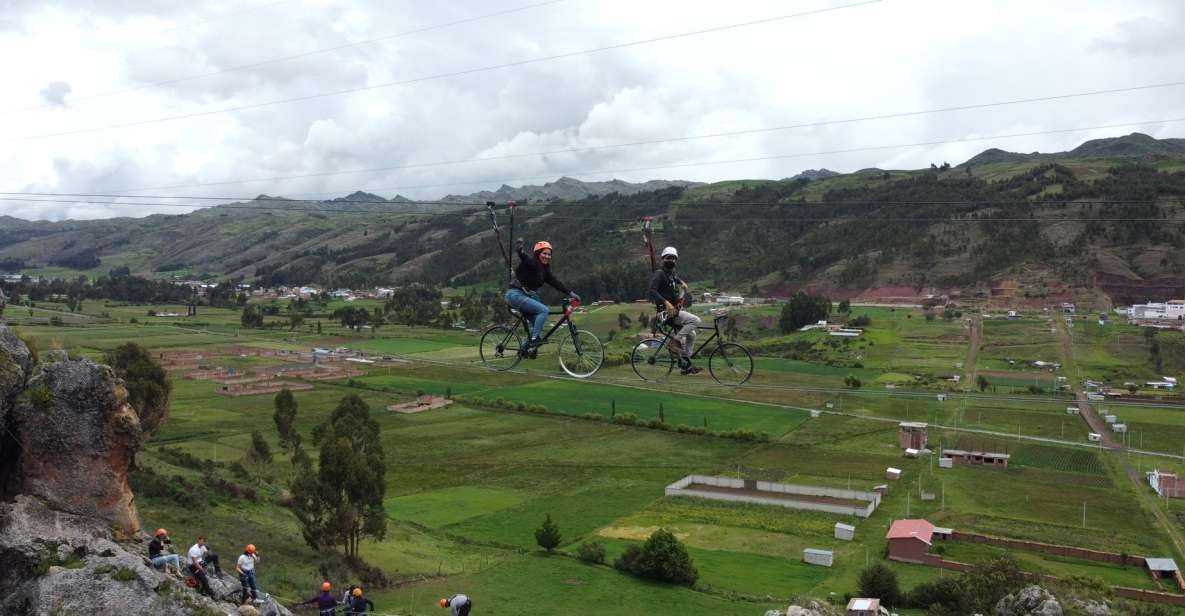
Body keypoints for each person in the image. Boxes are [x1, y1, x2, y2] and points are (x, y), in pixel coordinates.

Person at [506, 238, 579, 355]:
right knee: (544, 310)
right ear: (538, 254)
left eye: (549, 254)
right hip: (515, 295)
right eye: (544, 253)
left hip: (527, 296)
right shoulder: (533, 263)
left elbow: (556, 283)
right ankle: (534, 340)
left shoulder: (545, 271)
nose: (547, 256)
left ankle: (524, 350)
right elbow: (526, 259)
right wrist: (520, 251)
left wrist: (571, 293)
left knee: (537, 325)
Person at [649, 246, 701, 374]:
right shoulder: (659, 274)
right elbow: (652, 290)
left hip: (674, 312)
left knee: (692, 335)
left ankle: (685, 364)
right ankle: (674, 342)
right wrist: (666, 303)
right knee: (696, 320)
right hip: (666, 313)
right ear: (663, 259)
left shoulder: (670, 273)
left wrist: (682, 283)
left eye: (673, 259)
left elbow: (675, 278)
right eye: (669, 258)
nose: (671, 261)